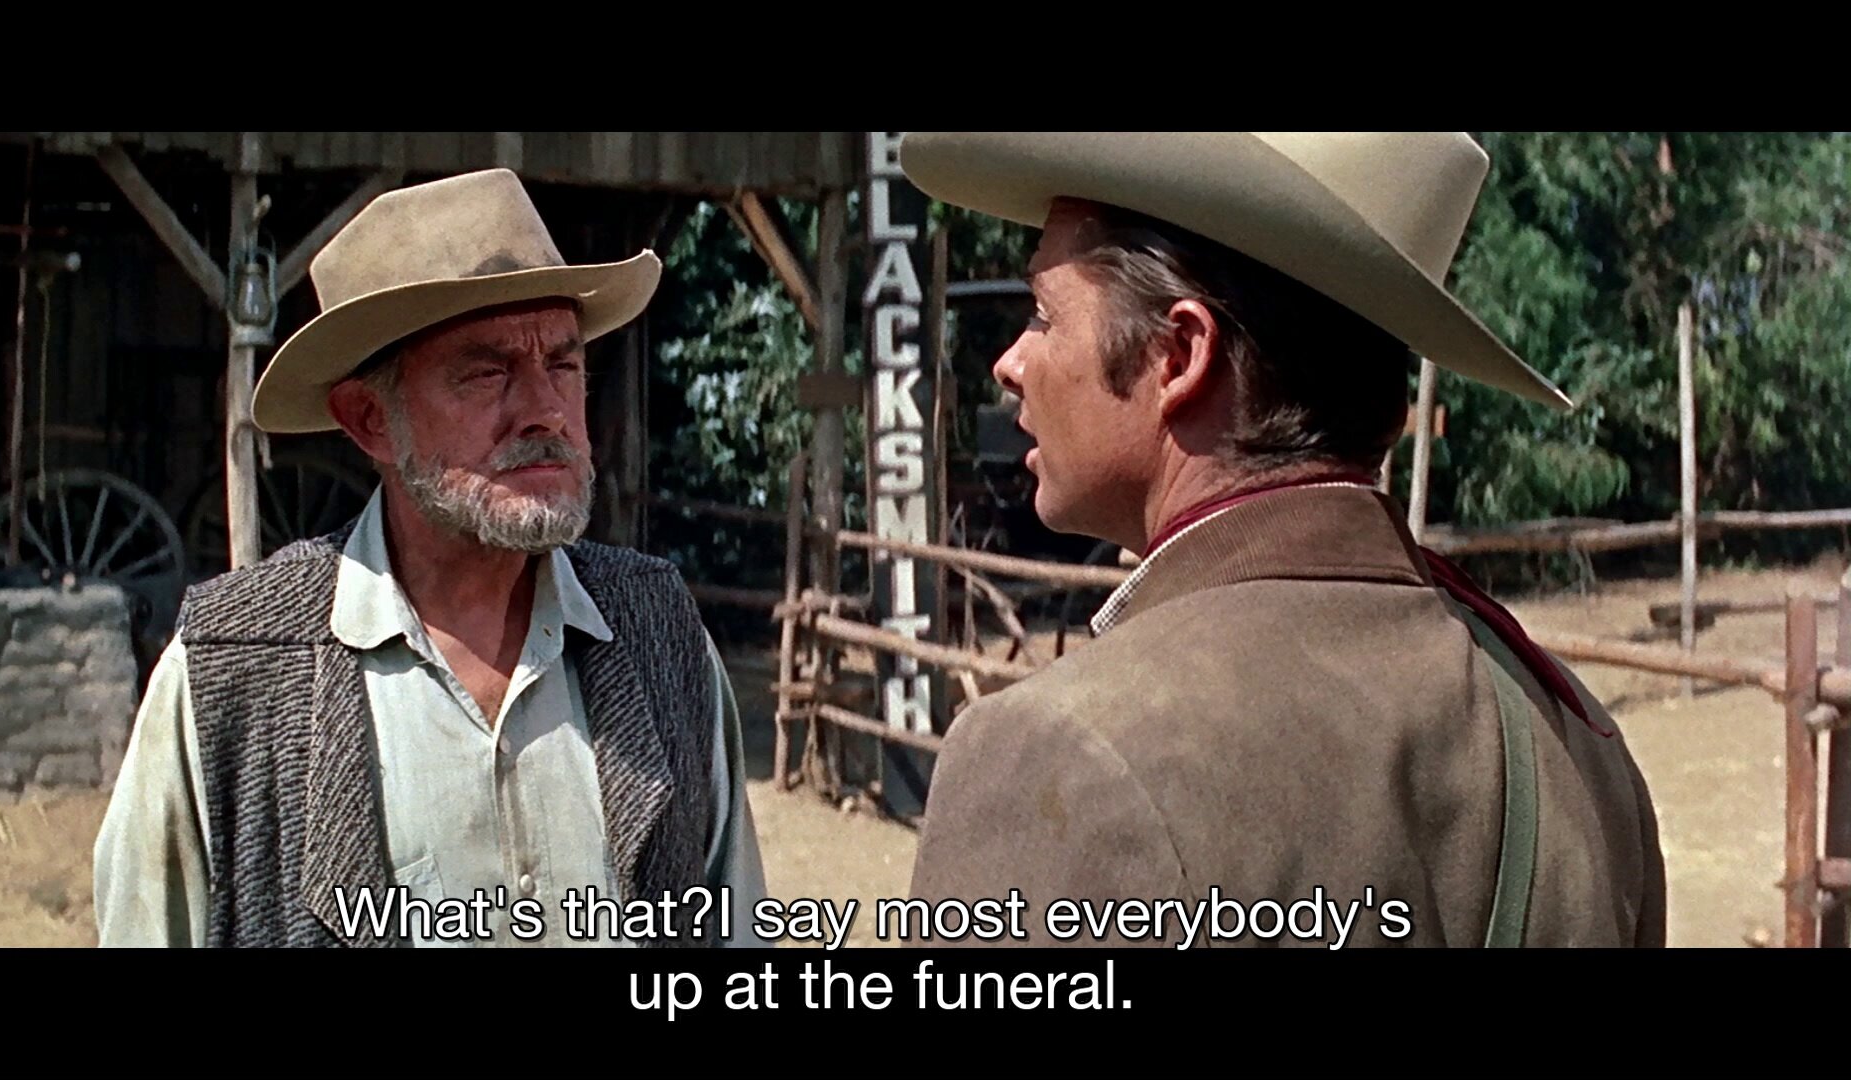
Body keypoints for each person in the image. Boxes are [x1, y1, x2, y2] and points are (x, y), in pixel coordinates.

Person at [899, 132, 1665, 947]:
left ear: (1177, 355)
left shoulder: (1063, 757)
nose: (1010, 363)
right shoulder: (1580, 748)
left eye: (1044, 316)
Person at [93, 168, 766, 947]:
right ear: (370, 419)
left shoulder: (661, 639)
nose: (545, 411)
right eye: (487, 372)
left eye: (564, 364)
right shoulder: (230, 674)